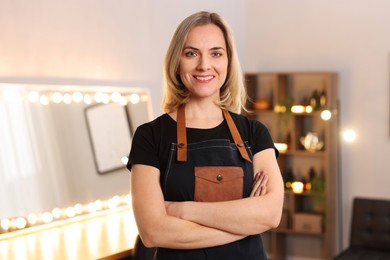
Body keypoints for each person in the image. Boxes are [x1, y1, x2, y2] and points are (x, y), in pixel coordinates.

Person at [127, 11, 284, 260]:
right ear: (176, 62)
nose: (204, 65)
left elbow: (270, 215)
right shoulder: (149, 136)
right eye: (191, 53)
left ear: (228, 62)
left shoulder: (255, 134)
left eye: (216, 53)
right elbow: (153, 232)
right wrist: (245, 225)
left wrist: (182, 210)